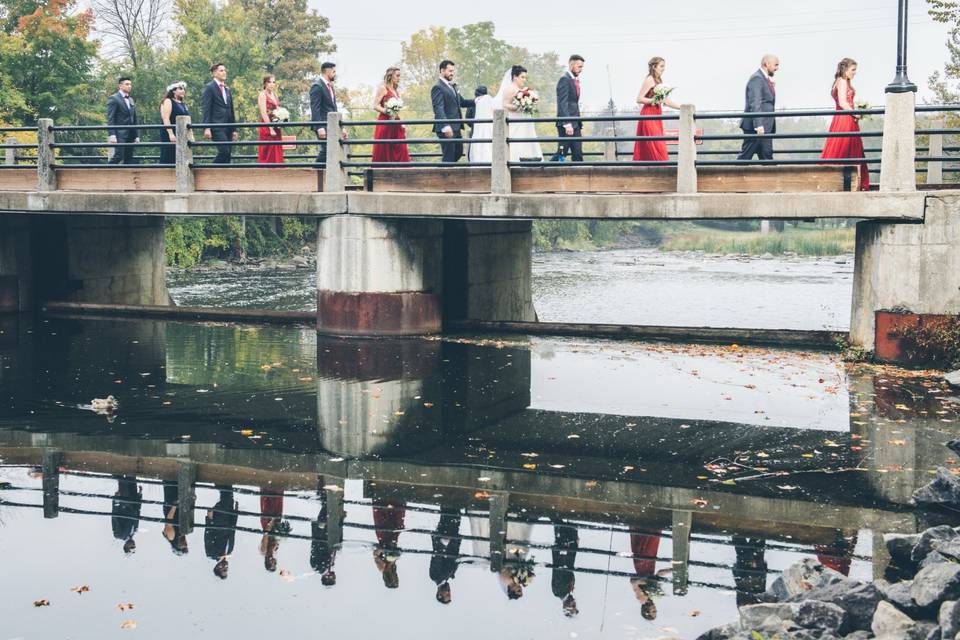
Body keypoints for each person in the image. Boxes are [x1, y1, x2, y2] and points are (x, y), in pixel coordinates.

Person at [820, 58, 869, 191]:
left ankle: (851, 181)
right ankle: (845, 181)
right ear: (845, 69)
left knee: (849, 148)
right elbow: (842, 102)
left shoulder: (844, 81)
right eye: (853, 70)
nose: (855, 73)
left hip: (845, 118)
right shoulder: (842, 81)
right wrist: (855, 113)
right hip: (844, 120)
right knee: (843, 148)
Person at [633, 57, 681, 162]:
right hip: (649, 115)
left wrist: (682, 108)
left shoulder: (659, 81)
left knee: (657, 143)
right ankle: (661, 167)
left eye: (664, 66)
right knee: (655, 143)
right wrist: (653, 100)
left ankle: (656, 168)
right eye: (661, 66)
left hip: (657, 115)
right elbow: (639, 98)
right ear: (654, 67)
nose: (664, 69)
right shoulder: (650, 80)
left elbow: (666, 101)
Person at [431, 60, 476, 163]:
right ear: (442, 71)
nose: (452, 73)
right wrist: (445, 126)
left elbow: (462, 102)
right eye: (450, 71)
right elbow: (438, 108)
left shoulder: (452, 87)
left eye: (453, 71)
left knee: (459, 152)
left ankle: (444, 173)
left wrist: (478, 100)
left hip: (456, 127)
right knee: (449, 157)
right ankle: (442, 176)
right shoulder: (437, 87)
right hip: (446, 128)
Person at [496, 64, 543, 162]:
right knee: (517, 141)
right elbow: (504, 105)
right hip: (515, 120)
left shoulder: (523, 90)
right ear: (515, 77)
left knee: (527, 141)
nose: (524, 79)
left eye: (525, 77)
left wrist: (530, 104)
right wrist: (520, 107)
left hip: (524, 120)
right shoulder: (510, 89)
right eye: (522, 77)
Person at [738, 54, 779, 161]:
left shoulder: (763, 79)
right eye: (775, 65)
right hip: (756, 128)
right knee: (745, 157)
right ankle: (731, 176)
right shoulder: (757, 78)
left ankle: (771, 176)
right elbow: (755, 103)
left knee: (767, 156)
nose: (777, 68)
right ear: (767, 64)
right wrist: (759, 125)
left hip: (764, 127)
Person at [201, 63, 238, 164]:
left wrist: (234, 129)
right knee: (224, 151)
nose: (224, 72)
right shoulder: (209, 88)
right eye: (221, 70)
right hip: (217, 126)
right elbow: (206, 108)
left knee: (228, 154)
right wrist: (207, 127)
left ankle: (222, 178)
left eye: (225, 70)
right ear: (214, 73)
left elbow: (231, 110)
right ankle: (209, 171)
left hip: (228, 126)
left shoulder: (227, 89)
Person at [630, 527, 670, 621]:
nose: (655, 609)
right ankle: (652, 527)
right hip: (650, 567)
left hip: (642, 566)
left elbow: (634, 583)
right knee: (652, 544)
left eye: (653, 612)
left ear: (646, 611)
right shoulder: (653, 596)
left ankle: (649, 527)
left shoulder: (642, 599)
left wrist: (646, 581)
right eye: (656, 611)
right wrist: (672, 570)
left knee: (646, 545)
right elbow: (659, 574)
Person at [372, 67, 410, 164]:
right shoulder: (383, 88)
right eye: (397, 76)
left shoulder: (396, 91)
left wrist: (402, 123)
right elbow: (375, 105)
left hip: (396, 124)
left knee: (401, 148)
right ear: (390, 76)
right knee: (384, 149)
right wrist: (387, 111)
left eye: (399, 76)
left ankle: (401, 174)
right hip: (385, 123)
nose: (399, 78)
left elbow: (397, 111)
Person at [310, 62, 342, 166]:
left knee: (331, 150)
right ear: (327, 71)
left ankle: (322, 175)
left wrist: (341, 126)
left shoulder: (330, 87)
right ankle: (313, 172)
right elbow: (315, 108)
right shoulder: (317, 86)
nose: (335, 73)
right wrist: (319, 127)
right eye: (333, 71)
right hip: (322, 125)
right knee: (326, 150)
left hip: (331, 124)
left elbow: (334, 107)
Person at [204, 485, 239, 579]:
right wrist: (235, 514)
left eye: (223, 569)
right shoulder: (230, 551)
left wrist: (209, 518)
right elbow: (233, 532)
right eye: (227, 569)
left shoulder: (211, 553)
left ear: (217, 567)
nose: (226, 567)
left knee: (226, 494)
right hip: (229, 518)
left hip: (218, 519)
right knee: (229, 495)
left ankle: (219, 477)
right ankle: (222, 478)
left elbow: (208, 535)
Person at [555, 55, 585, 162]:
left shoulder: (574, 80)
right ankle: (546, 172)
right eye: (579, 67)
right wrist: (567, 124)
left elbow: (574, 104)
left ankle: (579, 177)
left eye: (582, 67)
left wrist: (578, 124)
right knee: (562, 153)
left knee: (578, 154)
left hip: (576, 124)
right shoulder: (564, 79)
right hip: (566, 125)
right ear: (571, 65)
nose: (581, 70)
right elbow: (563, 103)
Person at [430, 506, 462, 605]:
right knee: (455, 515)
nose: (449, 592)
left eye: (447, 594)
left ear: (439, 593)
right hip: (452, 538)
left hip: (445, 536)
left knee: (447, 514)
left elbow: (437, 558)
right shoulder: (448, 576)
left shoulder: (435, 576)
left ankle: (448, 498)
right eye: (450, 594)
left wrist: (444, 543)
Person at [372, 497, 406, 589]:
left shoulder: (382, 567)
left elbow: (376, 553)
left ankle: (385, 498)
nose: (396, 577)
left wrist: (384, 550)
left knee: (384, 514)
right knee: (398, 516)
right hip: (393, 538)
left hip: (384, 537)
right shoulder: (393, 566)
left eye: (395, 580)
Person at [107, 76, 139, 165]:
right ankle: (105, 171)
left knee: (129, 157)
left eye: (130, 84)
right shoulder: (114, 98)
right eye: (127, 84)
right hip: (119, 133)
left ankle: (126, 178)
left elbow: (134, 118)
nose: (129, 86)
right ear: (120, 86)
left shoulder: (131, 99)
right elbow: (111, 118)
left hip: (131, 133)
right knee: (119, 155)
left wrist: (136, 135)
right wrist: (112, 134)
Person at [551, 520, 579, 617]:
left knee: (561, 520)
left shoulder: (558, 591)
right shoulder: (567, 591)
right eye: (575, 605)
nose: (574, 602)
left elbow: (560, 568)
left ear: (566, 606)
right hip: (568, 546)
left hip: (564, 545)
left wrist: (566, 547)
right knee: (570, 520)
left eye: (573, 605)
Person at [158, 81, 189, 166]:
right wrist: (171, 134)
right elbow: (166, 118)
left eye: (183, 89)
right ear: (174, 90)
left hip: (182, 133)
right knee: (169, 154)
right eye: (180, 88)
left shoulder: (183, 104)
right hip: (170, 132)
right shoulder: (168, 101)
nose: (183, 91)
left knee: (182, 155)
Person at [111, 475, 142, 554]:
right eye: (134, 547)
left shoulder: (119, 535)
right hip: (134, 500)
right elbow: (137, 512)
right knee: (131, 478)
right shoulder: (135, 530)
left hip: (124, 503)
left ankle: (116, 467)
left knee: (122, 481)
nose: (134, 545)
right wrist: (140, 495)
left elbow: (114, 517)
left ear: (125, 546)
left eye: (131, 547)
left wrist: (116, 500)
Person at [257, 75, 284, 165]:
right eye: (269, 82)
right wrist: (270, 128)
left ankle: (278, 169)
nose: (272, 84)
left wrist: (282, 119)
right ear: (265, 83)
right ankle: (266, 172)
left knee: (277, 148)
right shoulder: (262, 94)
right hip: (267, 126)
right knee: (268, 149)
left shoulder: (275, 94)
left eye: (274, 82)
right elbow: (263, 113)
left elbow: (278, 109)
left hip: (276, 125)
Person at [259, 488, 284, 572]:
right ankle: (276, 489)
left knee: (269, 505)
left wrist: (272, 522)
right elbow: (278, 538)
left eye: (272, 564)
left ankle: (267, 488)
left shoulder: (264, 551)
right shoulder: (274, 551)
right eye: (275, 564)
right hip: (275, 526)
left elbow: (266, 534)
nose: (274, 562)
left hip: (268, 524)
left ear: (267, 562)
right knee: (277, 506)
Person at [162, 479, 189, 555]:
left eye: (183, 548)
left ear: (177, 546)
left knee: (171, 485)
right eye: (186, 547)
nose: (185, 545)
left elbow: (169, 520)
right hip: (177, 508)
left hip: (172, 507)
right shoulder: (181, 536)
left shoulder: (171, 537)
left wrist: (175, 505)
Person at [467, 86, 493, 163]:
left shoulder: (473, 103)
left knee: (475, 149)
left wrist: (473, 125)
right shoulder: (489, 103)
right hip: (488, 130)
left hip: (475, 130)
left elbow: (467, 118)